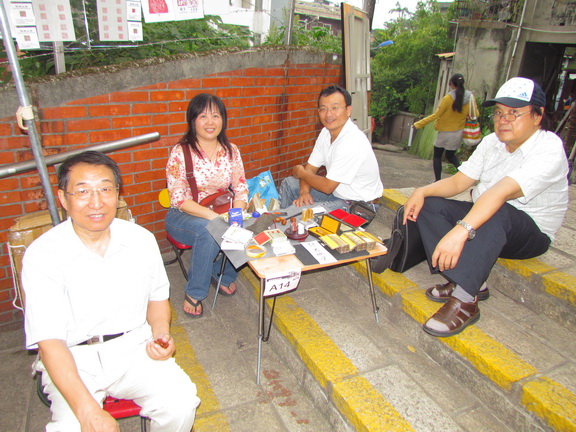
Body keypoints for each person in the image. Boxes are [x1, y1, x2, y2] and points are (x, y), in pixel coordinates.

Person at [22, 151, 200, 431]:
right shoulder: (43, 255)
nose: (96, 202)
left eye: (105, 189)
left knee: (181, 404)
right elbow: (50, 342)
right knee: (72, 427)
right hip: (73, 357)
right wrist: (88, 413)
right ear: (63, 199)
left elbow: (157, 298)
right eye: (83, 191)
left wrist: (161, 334)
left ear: (117, 194)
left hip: (134, 348)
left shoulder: (140, 240)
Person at [403, 77, 569, 337]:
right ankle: (469, 279)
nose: (504, 120)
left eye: (514, 113)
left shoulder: (548, 147)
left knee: (496, 209)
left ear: (537, 116)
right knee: (429, 206)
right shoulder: (492, 142)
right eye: (499, 113)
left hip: (530, 233)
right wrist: (421, 191)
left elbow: (501, 193)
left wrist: (461, 231)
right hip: (490, 219)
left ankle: (465, 300)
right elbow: (459, 181)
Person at [165, 93, 248, 318]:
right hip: (183, 215)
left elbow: (240, 187)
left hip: (220, 210)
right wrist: (214, 219)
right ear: (193, 120)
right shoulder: (181, 152)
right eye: (203, 116)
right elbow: (178, 198)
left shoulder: (231, 150)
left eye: (215, 115)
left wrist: (237, 214)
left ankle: (221, 273)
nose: (210, 122)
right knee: (209, 230)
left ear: (223, 119)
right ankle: (195, 291)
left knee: (245, 224)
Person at [279, 84, 383, 210]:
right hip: (337, 195)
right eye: (323, 109)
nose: (329, 114)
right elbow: (310, 169)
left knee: (304, 213)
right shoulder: (325, 133)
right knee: (289, 184)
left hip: (359, 205)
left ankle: (291, 220)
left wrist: (301, 173)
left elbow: (327, 187)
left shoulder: (352, 141)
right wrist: (304, 192)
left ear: (348, 110)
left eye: (335, 108)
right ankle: (285, 220)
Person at [413, 73, 478, 182]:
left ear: (451, 84)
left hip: (444, 132)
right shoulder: (470, 97)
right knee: (450, 156)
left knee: (437, 156)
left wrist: (418, 124)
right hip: (458, 132)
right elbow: (476, 114)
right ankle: (465, 176)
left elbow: (436, 115)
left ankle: (437, 181)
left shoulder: (448, 98)